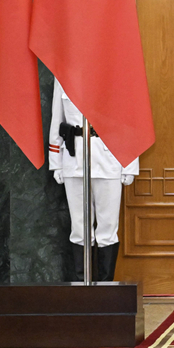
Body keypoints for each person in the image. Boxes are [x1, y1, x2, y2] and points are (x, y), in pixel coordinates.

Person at [48, 78, 138, 282]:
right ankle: (83, 286)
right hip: (74, 159)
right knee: (79, 229)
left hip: (110, 158)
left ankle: (105, 287)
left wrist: (130, 163)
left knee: (108, 229)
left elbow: (129, 121)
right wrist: (56, 162)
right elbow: (57, 119)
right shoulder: (63, 76)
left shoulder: (114, 75)